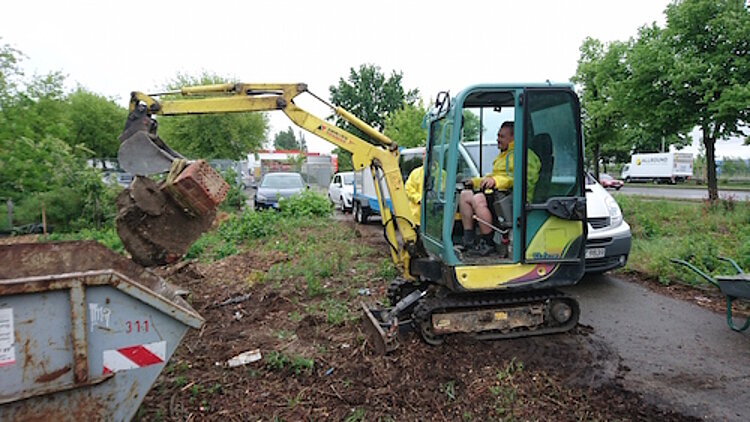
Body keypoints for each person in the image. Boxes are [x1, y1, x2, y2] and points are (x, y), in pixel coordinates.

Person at [458, 121, 540, 256]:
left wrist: (496, 182)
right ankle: (469, 240)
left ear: (513, 138)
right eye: (498, 135)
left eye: (502, 136)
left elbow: (521, 179)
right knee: (465, 194)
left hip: (516, 198)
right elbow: (493, 176)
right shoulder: (504, 155)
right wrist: (474, 182)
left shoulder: (525, 155)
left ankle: (488, 242)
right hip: (500, 194)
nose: (498, 139)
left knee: (478, 198)